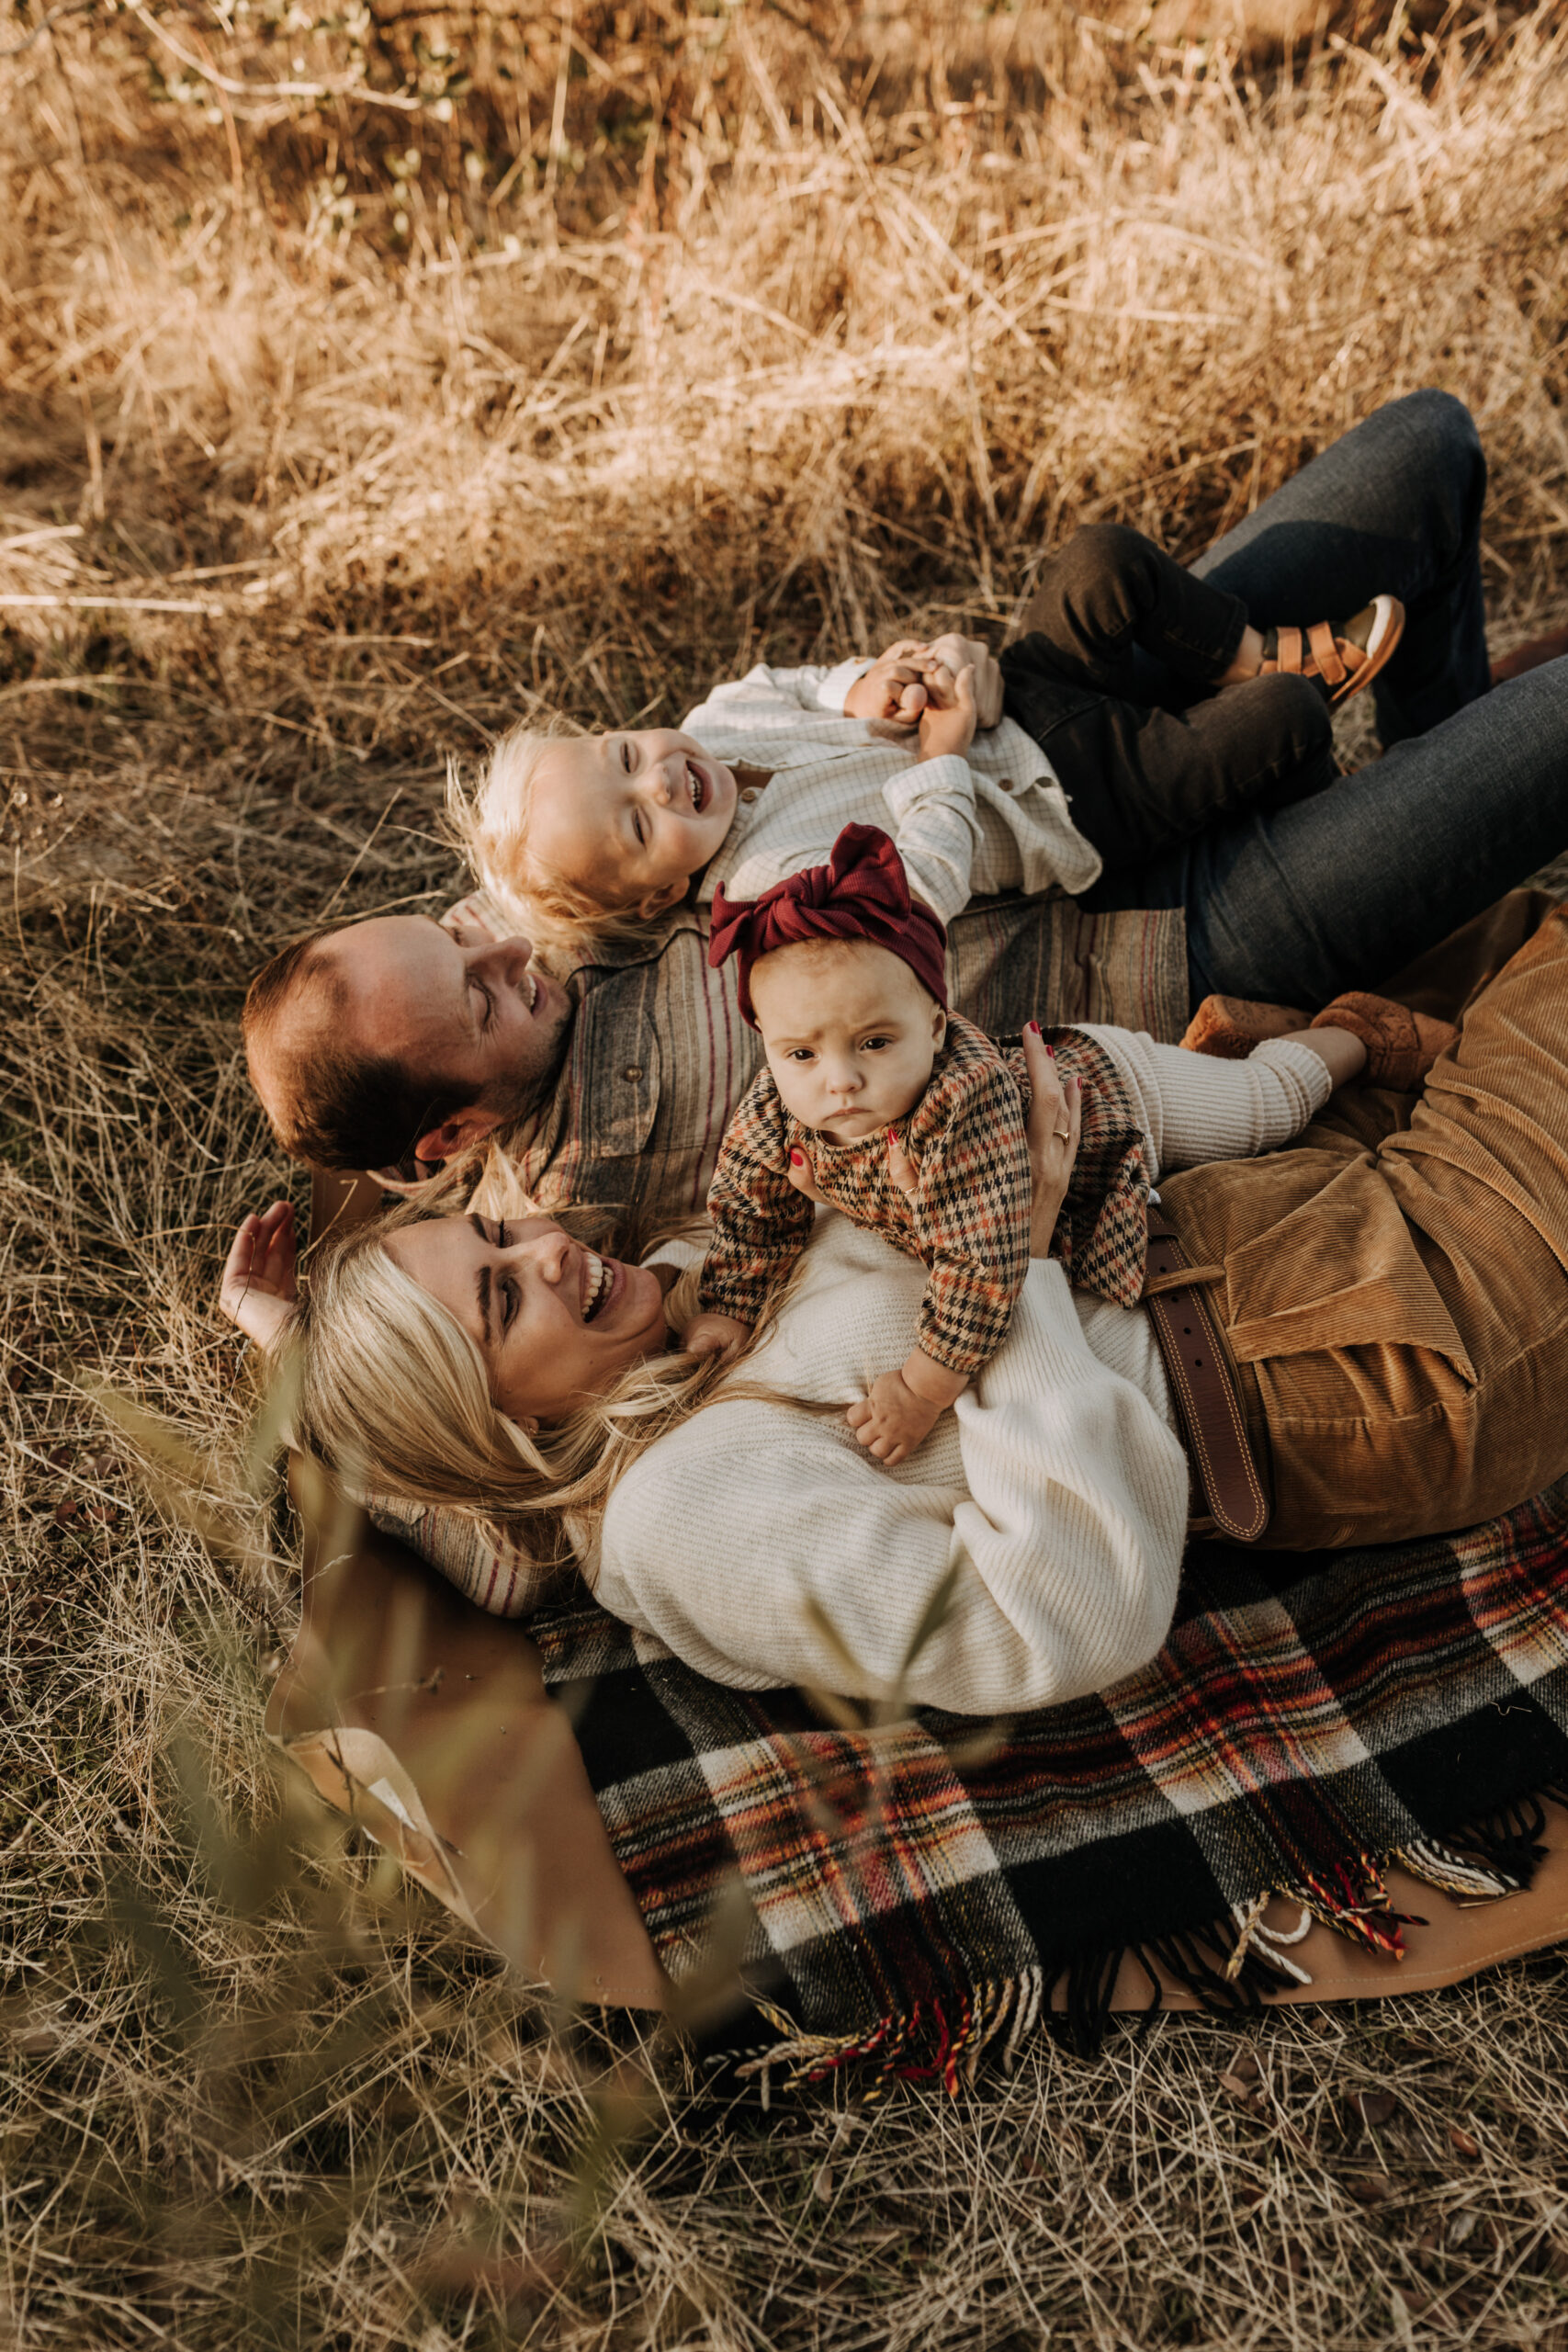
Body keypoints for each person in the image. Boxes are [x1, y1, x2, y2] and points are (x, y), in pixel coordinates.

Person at [220, 888, 1568, 1714]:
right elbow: (1073, 1617)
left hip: (1251, 1202)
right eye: (503, 1306)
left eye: (499, 1238)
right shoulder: (682, 1522)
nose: (552, 1253)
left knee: (1500, 930)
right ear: (500, 1429)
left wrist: (298, 1339)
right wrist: (1022, 1258)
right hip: (1340, 1345)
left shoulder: (679, 1316)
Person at [243, 390, 1568, 1224]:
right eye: (475, 995)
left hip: (1051, 748)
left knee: (1425, 446)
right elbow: (433, 1363)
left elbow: (624, 801)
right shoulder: (576, 1199)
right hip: (1178, 935)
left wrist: (927, 684)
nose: (502, 953)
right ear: (454, 1134)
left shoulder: (552, 918)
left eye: (460, 932)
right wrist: (281, 1328)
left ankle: (1433, 784)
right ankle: (1431, 824)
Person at [688, 820, 1384, 1465]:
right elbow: (749, 1207)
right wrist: (729, 1303)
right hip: (1063, 1155)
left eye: (874, 1042)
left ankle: (1357, 1034)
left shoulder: (960, 1107)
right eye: (801, 1054)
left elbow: (982, 1265)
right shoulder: (780, 1106)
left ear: (935, 1026)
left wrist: (922, 1387)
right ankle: (1230, 1042)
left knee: (1269, 1110)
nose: (839, 1081)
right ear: (769, 1048)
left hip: (1120, 1101)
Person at [447, 520, 1401, 951]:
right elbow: (920, 892)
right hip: (1069, 802)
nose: (658, 782)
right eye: (637, 829)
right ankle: (1315, 776)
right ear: (659, 896)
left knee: (1100, 562)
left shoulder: (717, 718)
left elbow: (805, 684)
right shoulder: (767, 887)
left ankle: (1248, 651)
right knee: (1282, 725)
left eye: (624, 757)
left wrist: (878, 686)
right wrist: (938, 757)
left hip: (1024, 691)